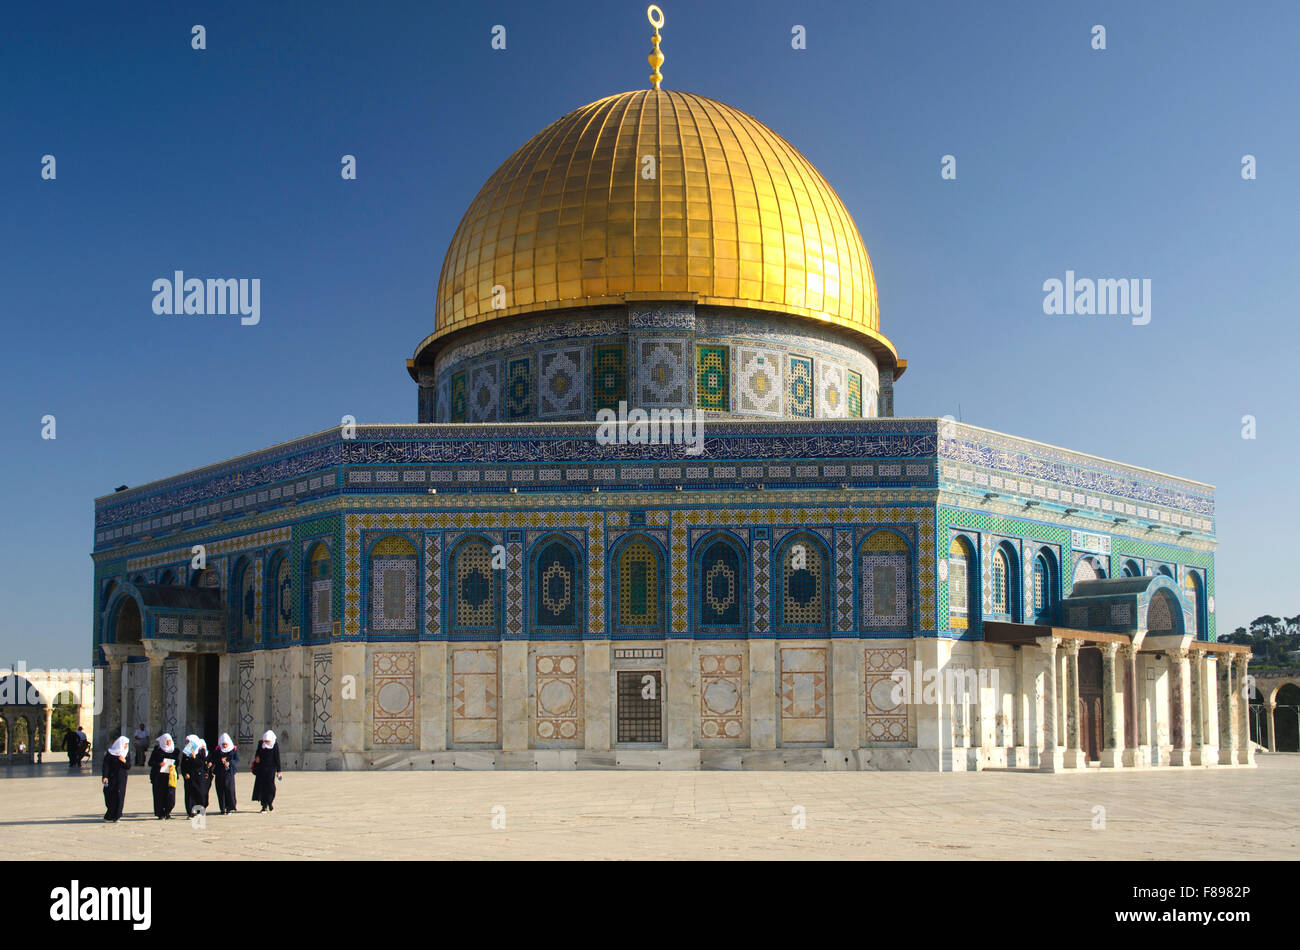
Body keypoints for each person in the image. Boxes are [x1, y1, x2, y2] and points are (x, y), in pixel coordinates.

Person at [180, 734, 212, 818]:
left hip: (198, 776)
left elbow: (202, 764)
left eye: (188, 742)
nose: (187, 743)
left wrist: (194, 758)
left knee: (200, 793)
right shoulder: (186, 752)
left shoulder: (201, 751)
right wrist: (185, 773)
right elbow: (183, 765)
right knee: (189, 795)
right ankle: (190, 813)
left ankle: (199, 810)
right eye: (186, 742)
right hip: (189, 776)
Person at [146, 733, 177, 819]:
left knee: (170, 795)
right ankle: (160, 813)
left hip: (170, 776)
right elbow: (150, 762)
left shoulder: (174, 751)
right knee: (159, 795)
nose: (169, 743)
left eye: (170, 741)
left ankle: (167, 812)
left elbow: (177, 762)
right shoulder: (157, 750)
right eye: (167, 741)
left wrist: (173, 765)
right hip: (158, 777)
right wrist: (159, 764)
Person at [250, 730, 282, 812]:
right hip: (262, 768)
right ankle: (264, 805)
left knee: (271, 786)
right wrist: (257, 757)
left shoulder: (274, 745)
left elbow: (277, 758)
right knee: (263, 787)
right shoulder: (261, 744)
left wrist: (279, 770)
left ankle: (270, 802)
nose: (266, 743)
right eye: (265, 741)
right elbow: (257, 752)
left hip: (271, 768)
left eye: (268, 741)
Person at [101, 736, 130, 821]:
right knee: (109, 794)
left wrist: (124, 761)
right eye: (125, 744)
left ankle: (117, 815)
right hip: (111, 777)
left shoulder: (126, 753)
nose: (126, 746)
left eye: (127, 744)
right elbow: (106, 765)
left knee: (120, 795)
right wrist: (105, 776)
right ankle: (110, 814)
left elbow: (128, 766)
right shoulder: (110, 753)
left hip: (121, 778)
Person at [212, 733, 240, 815]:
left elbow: (236, 759)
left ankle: (229, 807)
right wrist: (220, 760)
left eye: (226, 744)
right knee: (220, 790)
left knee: (229, 790)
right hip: (220, 772)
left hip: (229, 772)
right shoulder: (218, 750)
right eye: (223, 744)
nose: (224, 746)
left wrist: (229, 762)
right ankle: (222, 808)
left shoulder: (233, 749)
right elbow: (213, 759)